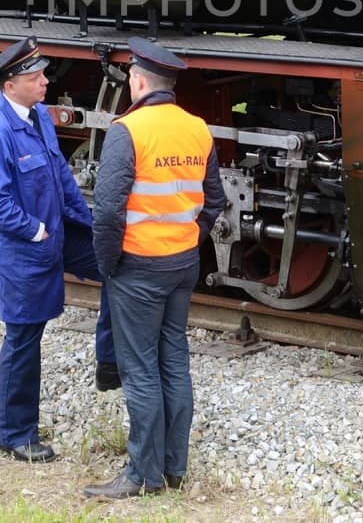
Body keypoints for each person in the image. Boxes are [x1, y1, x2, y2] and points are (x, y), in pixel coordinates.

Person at [85, 38, 224, 499]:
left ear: (139, 81)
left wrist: (109, 265)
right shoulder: (198, 129)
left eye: (130, 78)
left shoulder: (129, 130)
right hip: (181, 265)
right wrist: (189, 241)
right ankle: (174, 469)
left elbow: (106, 212)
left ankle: (142, 476)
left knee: (140, 369)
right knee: (174, 362)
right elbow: (215, 200)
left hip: (138, 267)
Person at [0, 36, 118, 464]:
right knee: (23, 338)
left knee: (115, 265)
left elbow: (60, 175)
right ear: (9, 84)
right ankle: (16, 435)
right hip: (29, 249)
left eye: (42, 74)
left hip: (61, 232)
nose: (44, 82)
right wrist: (35, 231)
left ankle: (109, 362)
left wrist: (88, 226)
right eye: (35, 77)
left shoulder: (38, 116)